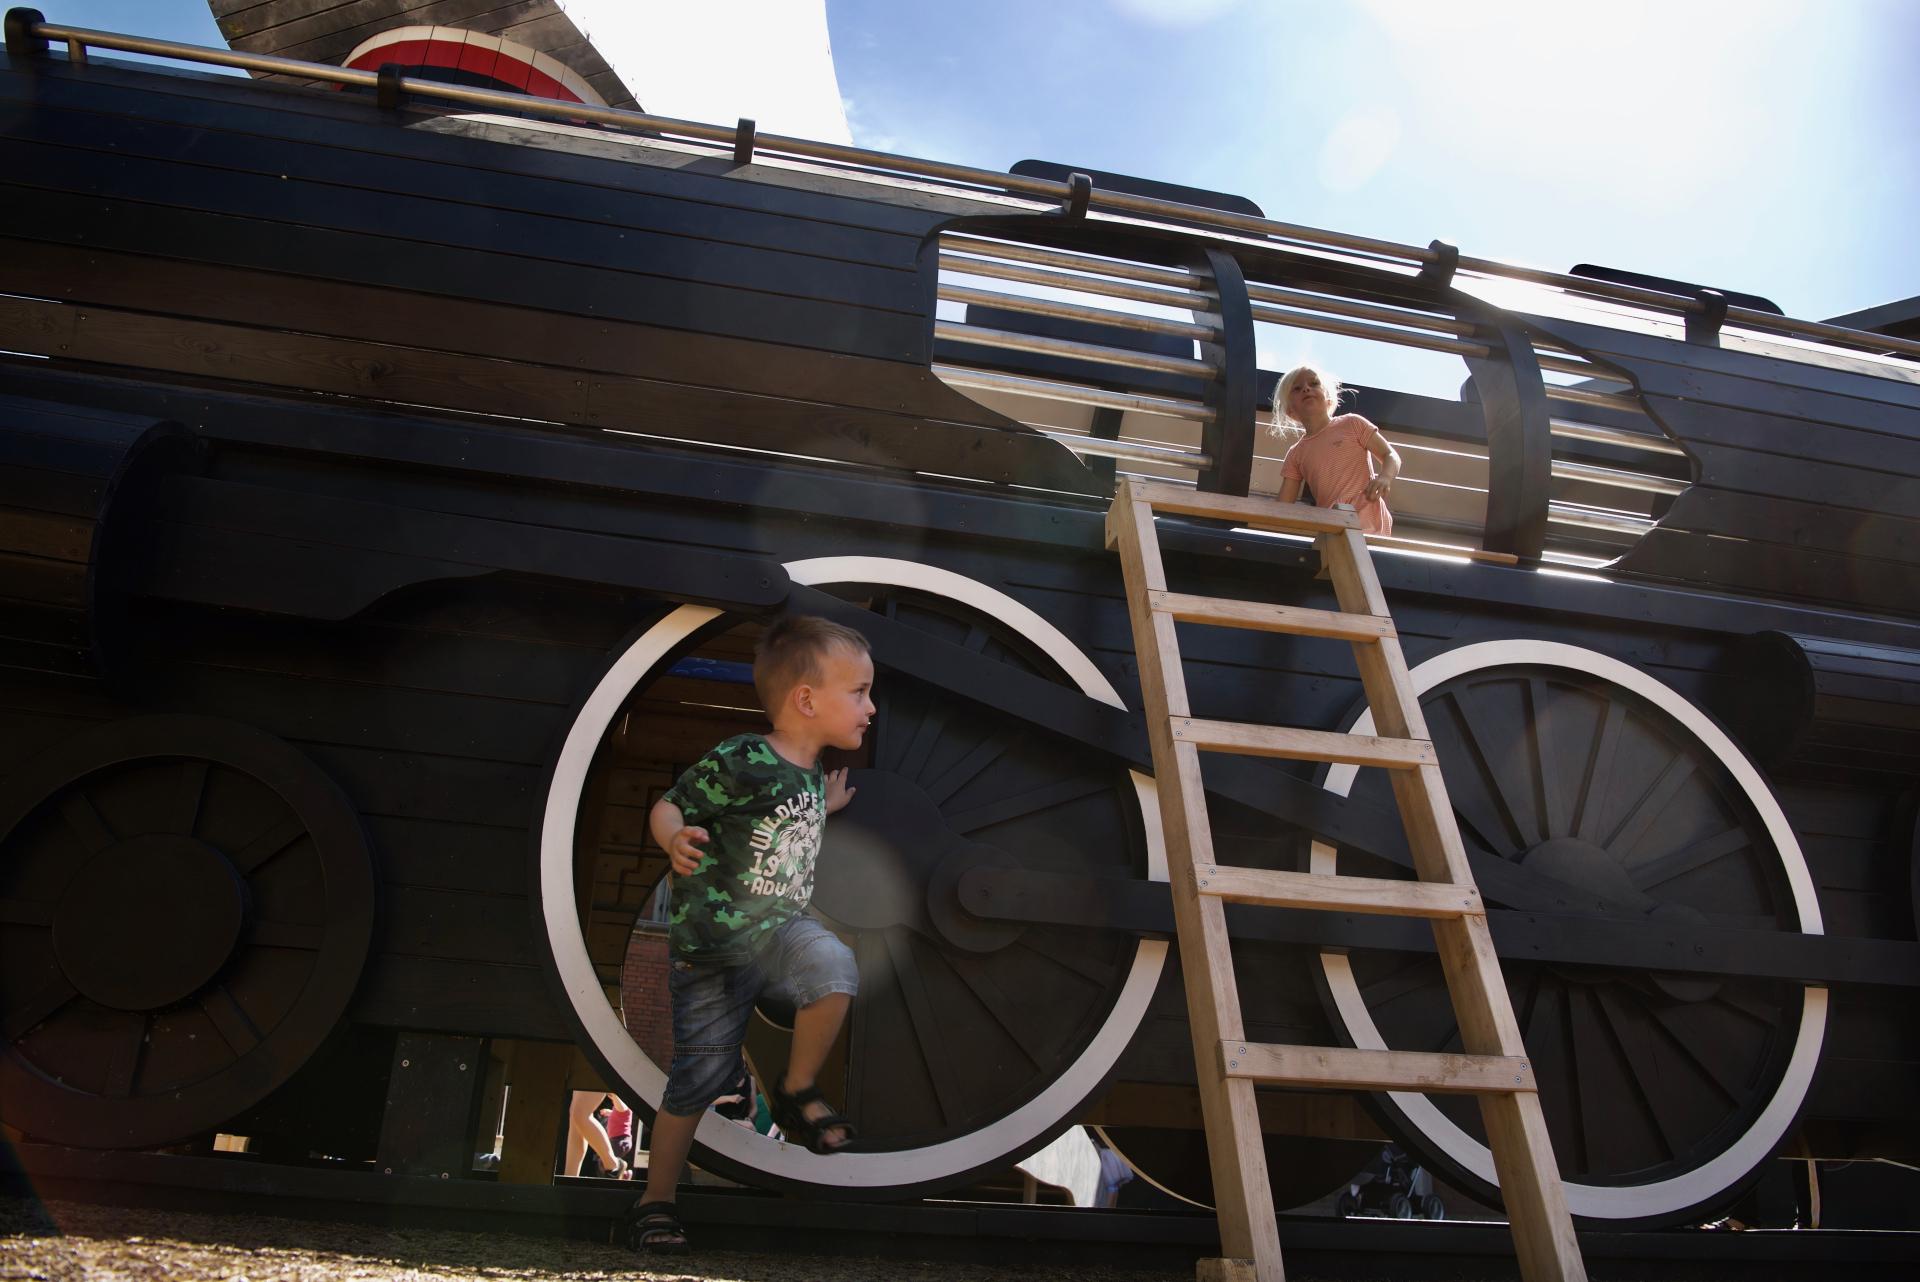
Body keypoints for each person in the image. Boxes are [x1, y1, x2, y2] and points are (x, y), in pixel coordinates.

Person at [627, 614, 874, 1256]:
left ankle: (796, 1089)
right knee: (698, 1079)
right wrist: (672, 837)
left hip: (778, 932)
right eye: (860, 692)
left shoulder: (810, 778)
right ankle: (656, 1201)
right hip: (711, 950)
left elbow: (800, 811)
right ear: (806, 699)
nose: (870, 707)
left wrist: (830, 805)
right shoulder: (743, 757)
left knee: (836, 968)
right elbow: (669, 802)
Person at [1271, 364, 1401, 536]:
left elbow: (1390, 454)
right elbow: (1284, 505)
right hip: (1332, 524)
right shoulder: (1296, 453)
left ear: (1329, 398)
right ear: (1290, 411)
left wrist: (1385, 477)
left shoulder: (1352, 424)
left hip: (1367, 516)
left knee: (1364, 557)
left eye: (1314, 383)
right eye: (1297, 388)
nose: (1306, 389)